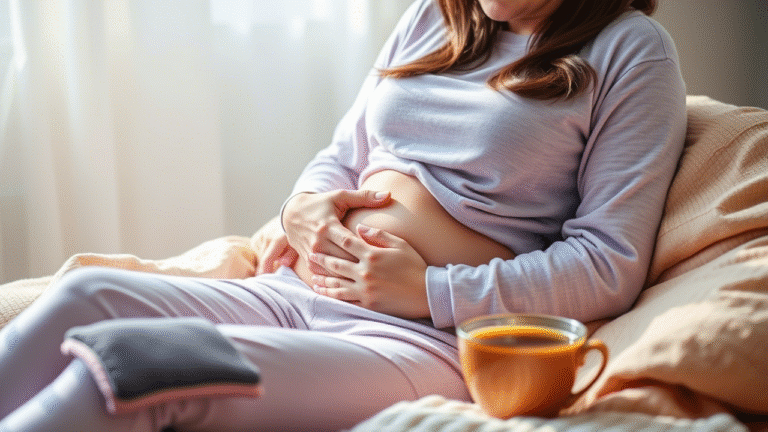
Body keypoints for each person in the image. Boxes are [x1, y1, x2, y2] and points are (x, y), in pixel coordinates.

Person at [0, 0, 686, 430]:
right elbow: (343, 155)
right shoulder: (435, 17)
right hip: (296, 290)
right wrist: (302, 209)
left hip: (419, 341)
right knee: (84, 296)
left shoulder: (629, 50)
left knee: (138, 371)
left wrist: (429, 291)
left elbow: (608, 264)